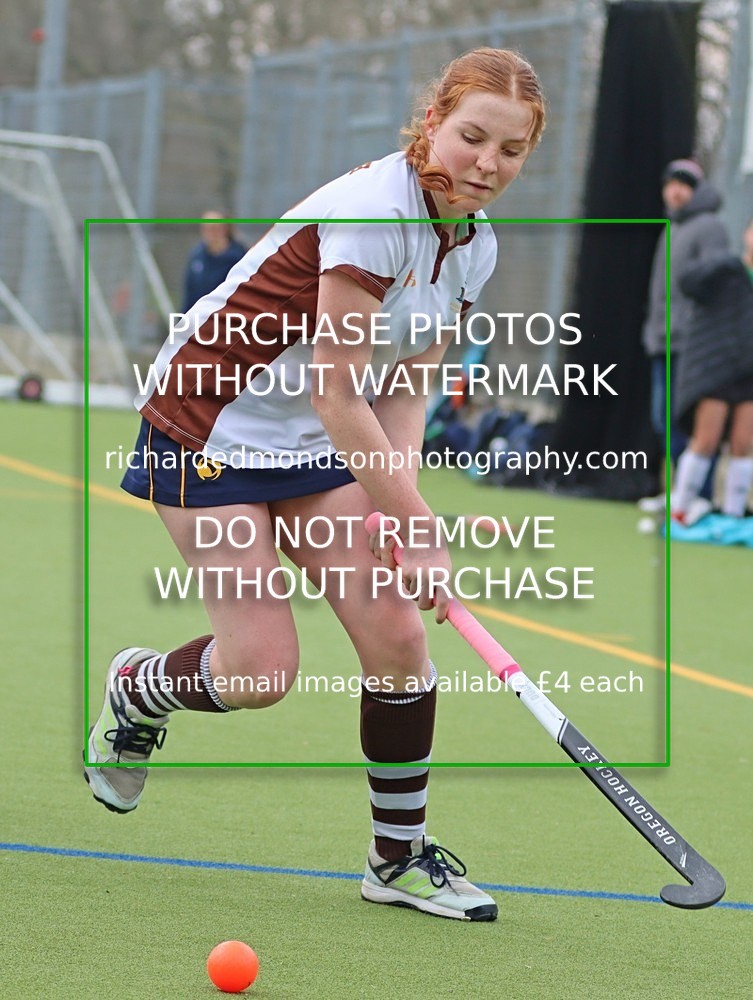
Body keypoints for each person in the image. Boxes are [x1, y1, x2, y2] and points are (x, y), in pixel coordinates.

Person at [84, 47, 546, 922]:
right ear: (433, 121)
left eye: (510, 151)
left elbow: (404, 387)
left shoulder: (473, 248)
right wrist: (420, 528)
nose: (486, 164)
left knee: (398, 638)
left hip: (310, 439)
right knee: (262, 672)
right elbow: (336, 391)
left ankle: (397, 858)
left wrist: (399, 509)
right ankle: (136, 687)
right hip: (209, 426)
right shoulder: (374, 211)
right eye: (470, 137)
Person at [640, 160, 729, 519]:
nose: (675, 191)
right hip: (662, 342)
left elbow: (716, 282)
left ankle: (699, 495)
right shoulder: (671, 227)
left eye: (684, 184)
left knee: (691, 422)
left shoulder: (709, 227)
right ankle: (680, 491)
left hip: (692, 345)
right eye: (670, 184)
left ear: (697, 189)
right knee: (665, 421)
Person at [670, 220, 753, 521]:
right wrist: (721, 261)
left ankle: (733, 515)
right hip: (715, 371)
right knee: (706, 440)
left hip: (749, 374)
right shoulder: (726, 271)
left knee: (743, 444)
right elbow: (687, 282)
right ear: (746, 235)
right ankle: (679, 509)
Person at [182, 210, 247, 312]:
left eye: (214, 228)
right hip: (201, 317)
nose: (210, 233)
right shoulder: (197, 255)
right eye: (206, 228)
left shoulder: (239, 257)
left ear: (225, 229)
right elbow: (190, 293)